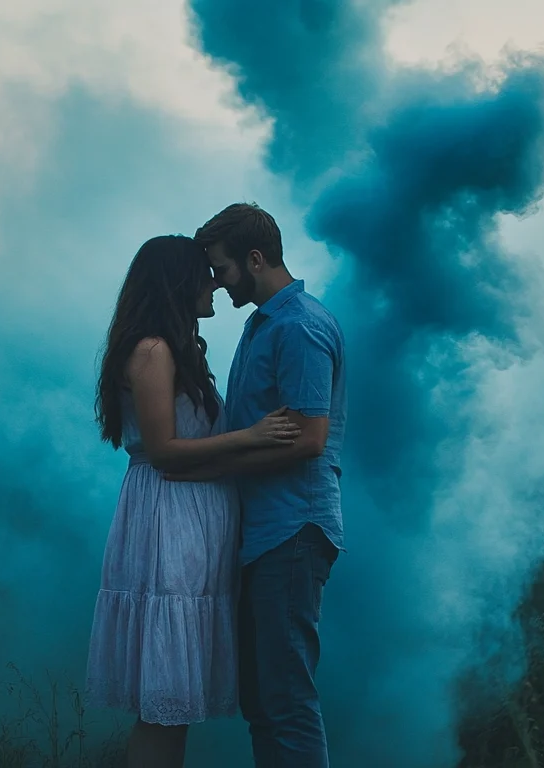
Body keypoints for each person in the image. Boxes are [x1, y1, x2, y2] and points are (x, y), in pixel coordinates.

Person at [85, 233, 300, 768]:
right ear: (179, 283)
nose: (215, 284)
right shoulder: (152, 350)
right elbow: (164, 450)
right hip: (169, 519)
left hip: (187, 517)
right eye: (205, 273)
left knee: (173, 701)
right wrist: (254, 437)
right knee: (164, 701)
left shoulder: (169, 349)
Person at [167, 203, 347, 767]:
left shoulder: (299, 327)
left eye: (221, 270)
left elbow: (311, 438)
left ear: (254, 258)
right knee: (264, 702)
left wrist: (215, 461)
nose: (217, 284)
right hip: (265, 534)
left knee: (286, 699)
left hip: (291, 531)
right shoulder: (264, 322)